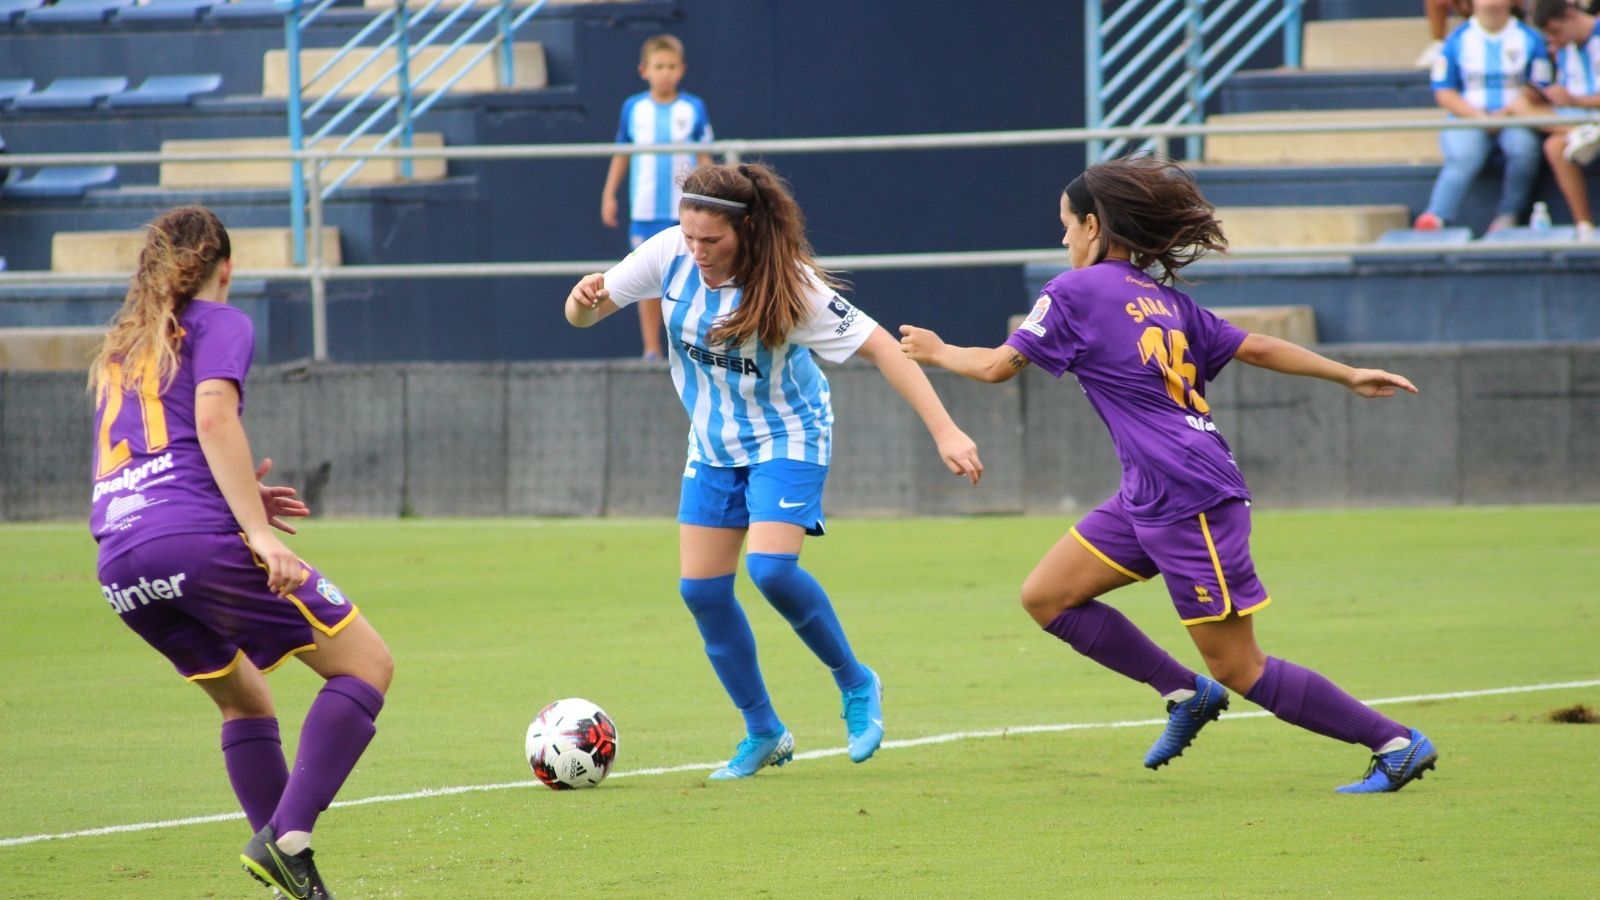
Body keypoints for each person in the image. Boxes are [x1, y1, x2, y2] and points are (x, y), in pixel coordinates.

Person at [898, 155, 1439, 794]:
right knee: (1047, 596)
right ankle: (1185, 691)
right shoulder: (1165, 300)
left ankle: (1395, 743)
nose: (1063, 239)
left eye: (1066, 226)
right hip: (1151, 491)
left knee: (1241, 665)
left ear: (1095, 227)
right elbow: (1258, 347)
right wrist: (1347, 373)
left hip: (1189, 494)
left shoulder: (1073, 290)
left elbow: (995, 367)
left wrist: (935, 352)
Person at [566, 162, 983, 779]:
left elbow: (881, 348)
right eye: (690, 238)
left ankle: (856, 680)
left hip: (790, 436)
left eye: (712, 241)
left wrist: (946, 429)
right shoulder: (667, 253)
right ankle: (763, 731)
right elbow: (588, 314)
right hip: (711, 443)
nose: (699, 251)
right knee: (702, 592)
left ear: (748, 228)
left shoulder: (792, 285)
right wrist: (581, 302)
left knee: (770, 570)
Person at [87, 206, 393, 898]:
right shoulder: (222, 321)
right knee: (367, 664)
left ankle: (294, 875)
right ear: (226, 266)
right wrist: (253, 533)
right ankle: (287, 840)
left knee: (245, 701)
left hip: (120, 559)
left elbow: (143, 463)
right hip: (191, 541)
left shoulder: (121, 348)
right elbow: (213, 416)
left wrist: (236, 502)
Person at [599, 34, 714, 361]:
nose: (665, 72)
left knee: (697, 275)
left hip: (685, 213)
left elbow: (704, 158)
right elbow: (622, 154)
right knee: (648, 280)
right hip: (646, 211)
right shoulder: (633, 108)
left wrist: (715, 200)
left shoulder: (693, 107)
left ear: (682, 69)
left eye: (672, 66)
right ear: (644, 70)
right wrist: (609, 194)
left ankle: (696, 346)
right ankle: (651, 349)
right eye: (659, 66)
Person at [1415, 0, 1553, 234]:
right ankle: (1436, 215)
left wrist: (1509, 111)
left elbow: (1541, 85)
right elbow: (1444, 91)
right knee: (1464, 155)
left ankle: (1508, 215)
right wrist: (1478, 116)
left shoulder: (1530, 38)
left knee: (1523, 149)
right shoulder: (1456, 39)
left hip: (1516, 117)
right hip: (1469, 117)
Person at [1530, 0, 1600, 240]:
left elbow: (1575, 98)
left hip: (1590, 112)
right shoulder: (1562, 50)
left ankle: (1584, 132)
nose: (1555, 39)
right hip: (1576, 118)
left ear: (1571, 14)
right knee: (1552, 144)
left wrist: (1575, 101)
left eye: (1556, 31)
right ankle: (1584, 225)